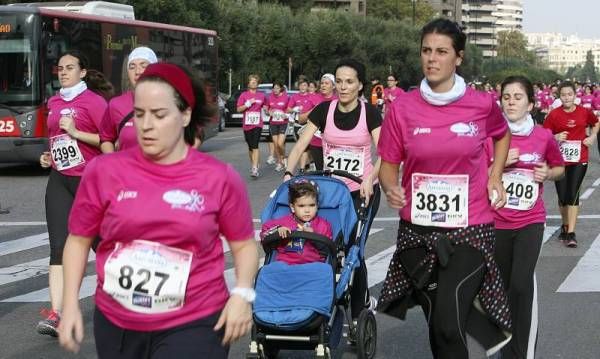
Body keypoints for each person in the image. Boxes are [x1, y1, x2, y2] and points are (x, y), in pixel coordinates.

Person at [58, 63, 259, 358]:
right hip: (118, 322)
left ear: (186, 115)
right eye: (139, 114)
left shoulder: (218, 177)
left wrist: (242, 294)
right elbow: (77, 241)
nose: (146, 125)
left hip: (195, 320)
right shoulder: (104, 171)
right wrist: (71, 304)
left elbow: (244, 246)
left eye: (159, 115)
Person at [377, 18, 512, 358]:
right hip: (417, 234)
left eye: (441, 51)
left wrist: (495, 174)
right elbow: (389, 166)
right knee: (440, 324)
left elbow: (503, 134)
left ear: (459, 58)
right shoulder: (402, 108)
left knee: (449, 320)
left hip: (470, 229)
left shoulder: (480, 104)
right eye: (426, 51)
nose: (432, 59)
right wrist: (392, 187)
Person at [284, 58, 382, 330]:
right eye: (338, 81)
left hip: (360, 192)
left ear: (360, 85)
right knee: (323, 243)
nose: (343, 87)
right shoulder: (323, 110)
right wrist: (288, 173)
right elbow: (301, 143)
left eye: (349, 81)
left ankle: (358, 308)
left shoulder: (370, 114)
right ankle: (321, 299)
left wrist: (370, 178)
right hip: (330, 191)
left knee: (353, 249)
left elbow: (386, 153)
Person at [491, 76, 564, 359]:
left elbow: (559, 168)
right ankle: (502, 341)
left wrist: (548, 173)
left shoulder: (543, 136)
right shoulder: (492, 136)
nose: (511, 101)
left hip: (530, 221)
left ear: (531, 104)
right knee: (502, 286)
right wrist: (497, 164)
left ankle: (521, 352)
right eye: (506, 97)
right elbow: (475, 175)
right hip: (496, 221)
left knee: (521, 284)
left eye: (518, 97)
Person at [37, 50, 108, 337]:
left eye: (69, 68)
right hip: (60, 180)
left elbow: (108, 140)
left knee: (103, 246)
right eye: (60, 68)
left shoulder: (94, 102)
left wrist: (78, 133)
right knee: (57, 246)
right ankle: (57, 314)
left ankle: (122, 303)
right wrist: (48, 157)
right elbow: (57, 140)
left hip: (89, 182)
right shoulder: (53, 102)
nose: (63, 72)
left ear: (83, 72)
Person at [543, 81, 599, 247]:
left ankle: (571, 232)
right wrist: (555, 137)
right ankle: (565, 225)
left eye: (569, 94)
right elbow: (544, 134)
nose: (566, 98)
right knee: (563, 197)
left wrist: (592, 137)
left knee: (573, 194)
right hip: (559, 160)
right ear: (559, 97)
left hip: (579, 159)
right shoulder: (554, 115)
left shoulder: (584, 112)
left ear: (575, 95)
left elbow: (596, 122)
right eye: (563, 95)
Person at [100, 47, 158, 153]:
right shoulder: (116, 104)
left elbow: (191, 137)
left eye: (143, 66)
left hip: (161, 169)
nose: (137, 71)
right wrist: (112, 162)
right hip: (126, 169)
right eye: (132, 67)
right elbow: (105, 138)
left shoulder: (170, 101)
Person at [260, 179, 333, 265]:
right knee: (266, 272)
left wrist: (314, 236)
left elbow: (328, 250)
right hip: (285, 265)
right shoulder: (283, 222)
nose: (307, 210)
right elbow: (264, 234)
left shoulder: (322, 225)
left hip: (313, 266)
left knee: (324, 271)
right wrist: (277, 230)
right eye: (301, 206)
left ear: (317, 205)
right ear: (292, 207)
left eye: (312, 205)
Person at [237, 74, 267, 177]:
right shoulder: (243, 95)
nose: (253, 83)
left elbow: (266, 106)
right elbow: (238, 109)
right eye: (252, 81)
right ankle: (254, 163)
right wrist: (247, 104)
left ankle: (254, 168)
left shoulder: (262, 95)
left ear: (258, 84)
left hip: (258, 124)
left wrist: (267, 110)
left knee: (255, 145)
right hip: (247, 124)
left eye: (255, 81)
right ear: (248, 84)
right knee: (250, 147)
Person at [308, 73, 337, 171]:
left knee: (332, 171)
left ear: (333, 86)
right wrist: (315, 110)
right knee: (320, 171)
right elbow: (301, 118)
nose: (323, 85)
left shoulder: (339, 100)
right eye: (322, 83)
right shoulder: (313, 98)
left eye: (327, 83)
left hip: (333, 142)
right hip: (316, 141)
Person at [288, 77, 317, 173]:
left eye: (304, 85)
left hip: (309, 125)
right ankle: (306, 165)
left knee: (306, 147)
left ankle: (303, 167)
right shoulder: (294, 97)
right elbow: (288, 109)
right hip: (297, 124)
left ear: (308, 87)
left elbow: (317, 108)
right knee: (301, 146)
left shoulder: (312, 97)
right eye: (301, 85)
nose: (302, 87)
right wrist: (294, 109)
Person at [266, 81, 290, 171]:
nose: (275, 90)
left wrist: (286, 115)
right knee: (276, 144)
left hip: (283, 123)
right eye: (274, 88)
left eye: (277, 88)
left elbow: (289, 109)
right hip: (273, 123)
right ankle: (280, 162)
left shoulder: (286, 97)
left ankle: (284, 158)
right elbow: (267, 109)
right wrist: (269, 112)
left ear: (281, 88)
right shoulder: (270, 97)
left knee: (280, 143)